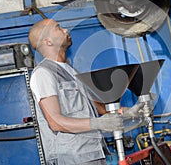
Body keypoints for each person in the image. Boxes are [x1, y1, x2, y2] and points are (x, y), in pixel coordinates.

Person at [28, 18, 126, 165]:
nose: (66, 30)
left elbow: (96, 107)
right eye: (58, 28)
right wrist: (98, 123)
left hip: (92, 153)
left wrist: (123, 113)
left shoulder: (70, 71)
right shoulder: (43, 73)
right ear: (48, 41)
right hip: (72, 158)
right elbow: (55, 122)